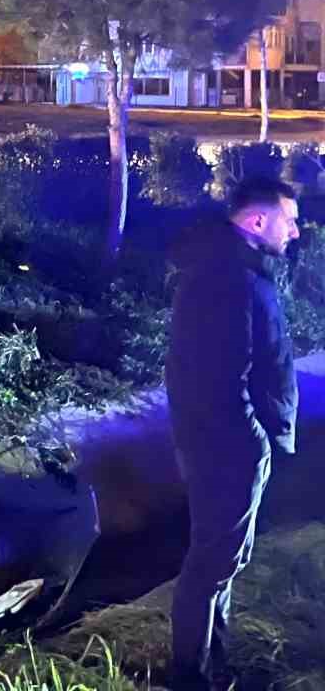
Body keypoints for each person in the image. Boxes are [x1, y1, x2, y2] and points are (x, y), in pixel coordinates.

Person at [165, 174, 299, 690]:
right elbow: (219, 380)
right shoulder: (227, 279)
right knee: (213, 562)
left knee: (224, 557)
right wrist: (254, 441)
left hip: (224, 443)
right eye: (289, 220)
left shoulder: (234, 270)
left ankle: (211, 664)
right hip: (228, 447)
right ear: (258, 220)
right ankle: (190, 677)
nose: (296, 232)